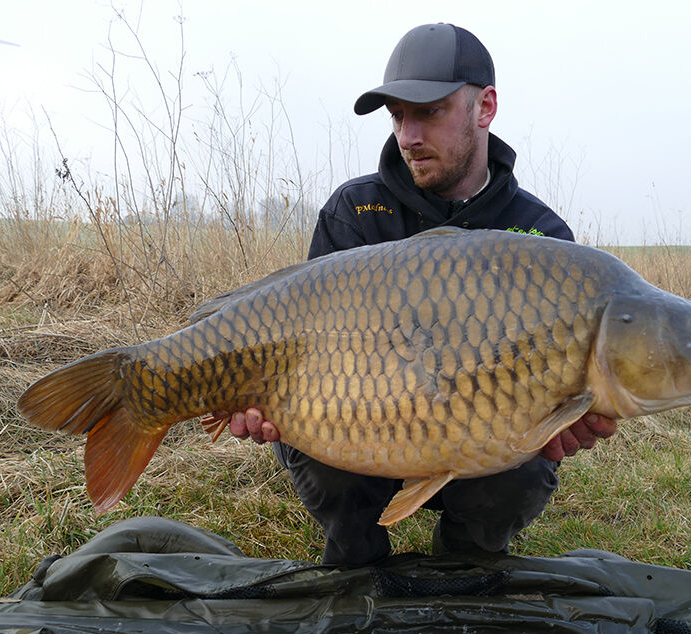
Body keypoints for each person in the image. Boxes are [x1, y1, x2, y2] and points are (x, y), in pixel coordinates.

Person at [226, 23, 616, 565]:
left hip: (481, 439)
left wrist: (565, 422)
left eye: (428, 111)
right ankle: (356, 561)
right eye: (397, 116)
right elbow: (300, 347)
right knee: (312, 445)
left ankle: (465, 562)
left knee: (525, 464)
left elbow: (565, 398)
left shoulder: (539, 237)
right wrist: (257, 402)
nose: (407, 136)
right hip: (363, 426)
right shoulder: (353, 212)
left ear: (485, 107)